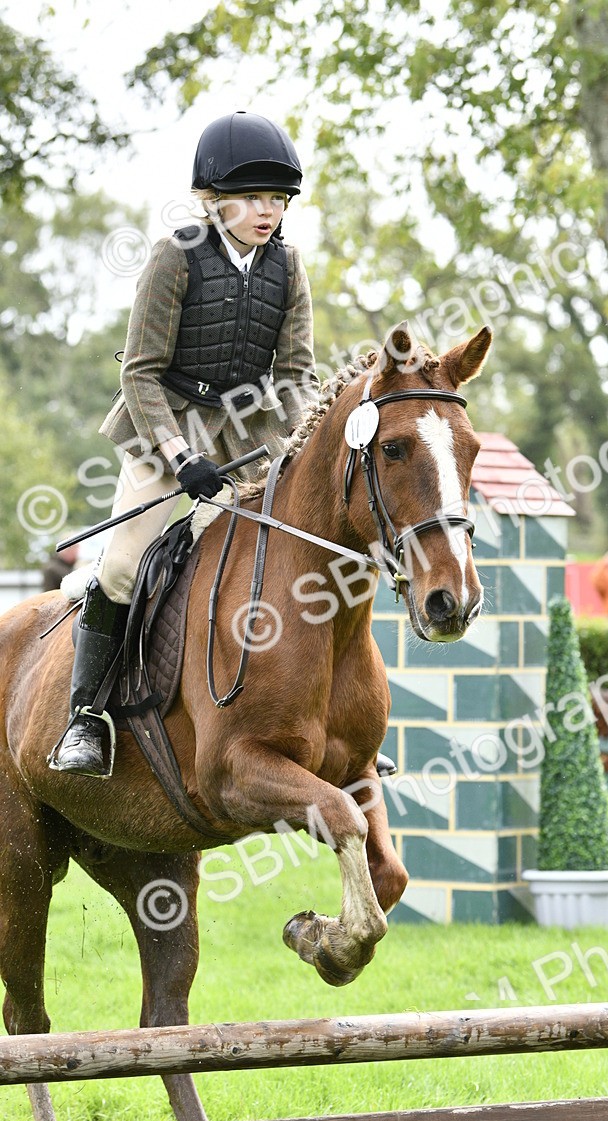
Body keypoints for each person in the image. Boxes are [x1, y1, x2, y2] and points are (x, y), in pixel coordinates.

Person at [51, 111, 320, 776]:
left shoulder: (287, 266)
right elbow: (139, 372)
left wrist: (300, 443)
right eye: (256, 199)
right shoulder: (176, 255)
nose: (269, 212)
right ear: (215, 199)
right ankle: (85, 716)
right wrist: (180, 458)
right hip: (164, 424)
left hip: (246, 434)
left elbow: (294, 377)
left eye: (279, 200)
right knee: (122, 566)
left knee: (268, 559)